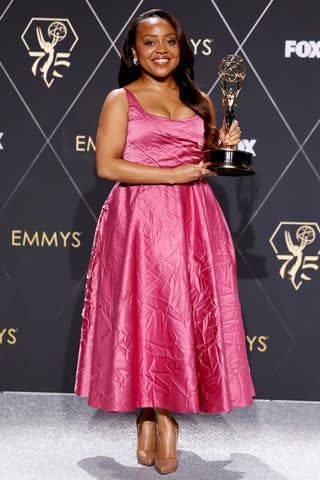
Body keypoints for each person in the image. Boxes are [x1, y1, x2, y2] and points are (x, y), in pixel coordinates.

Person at [74, 8, 255, 475]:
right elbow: (107, 166)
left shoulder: (200, 100)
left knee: (180, 316)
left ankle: (158, 414)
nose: (160, 50)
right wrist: (172, 175)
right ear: (134, 51)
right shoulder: (121, 99)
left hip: (194, 220)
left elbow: (206, 160)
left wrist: (223, 146)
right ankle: (159, 417)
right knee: (148, 314)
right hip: (139, 222)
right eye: (150, 42)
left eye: (169, 41)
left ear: (181, 47)